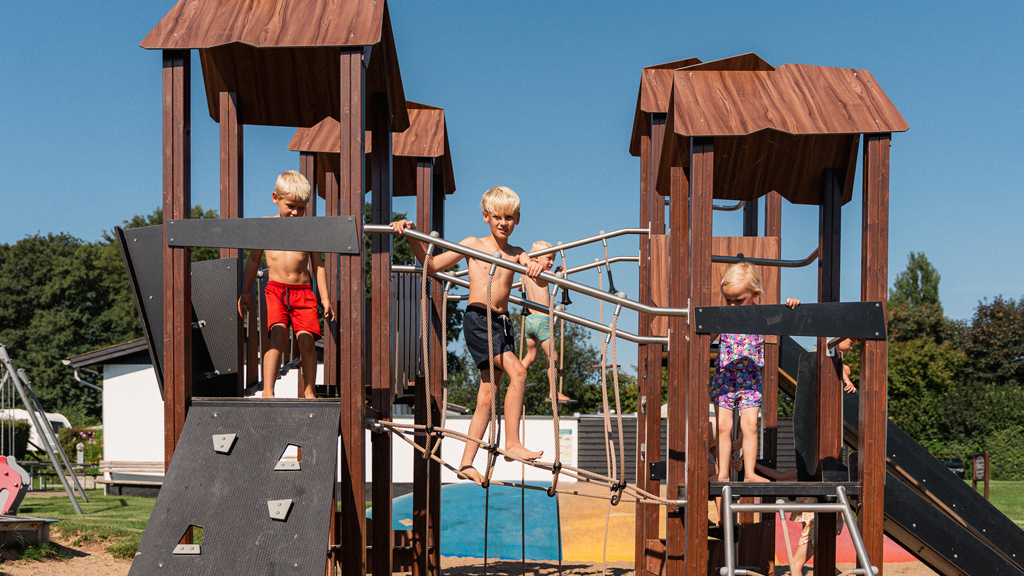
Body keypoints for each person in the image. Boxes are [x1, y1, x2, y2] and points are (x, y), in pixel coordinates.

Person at [390, 185, 545, 485]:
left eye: (510, 217)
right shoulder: (473, 244)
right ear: (486, 216)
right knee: (519, 373)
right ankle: (511, 443)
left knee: (487, 397)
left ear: (518, 219)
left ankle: (466, 463)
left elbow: (529, 264)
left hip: (502, 324)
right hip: (478, 320)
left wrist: (535, 265)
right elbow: (432, 266)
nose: (504, 223)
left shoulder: (517, 253)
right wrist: (410, 234)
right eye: (498, 216)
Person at [238, 171, 334, 398]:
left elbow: (318, 264)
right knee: (277, 336)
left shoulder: (307, 230)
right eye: (290, 206)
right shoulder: (266, 226)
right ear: (275, 198)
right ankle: (268, 391)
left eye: (301, 208)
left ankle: (309, 390)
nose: (295, 213)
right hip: (276, 290)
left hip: (303, 292)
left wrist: (325, 298)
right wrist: (245, 291)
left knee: (306, 341)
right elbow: (253, 260)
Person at [711, 262, 800, 489]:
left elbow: (786, 319)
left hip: (750, 381)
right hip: (725, 379)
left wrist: (792, 306)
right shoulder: (725, 317)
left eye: (738, 300)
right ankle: (722, 473)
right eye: (728, 300)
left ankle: (749, 472)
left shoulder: (763, 318)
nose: (732, 305)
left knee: (750, 426)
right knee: (723, 427)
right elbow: (706, 336)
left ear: (755, 294)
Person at [519, 241, 571, 403]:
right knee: (553, 357)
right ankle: (553, 392)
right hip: (542, 320)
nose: (551, 262)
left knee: (530, 355)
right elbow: (560, 284)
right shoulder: (542, 274)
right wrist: (563, 276)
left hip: (529, 320)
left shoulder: (525, 273)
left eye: (553, 259)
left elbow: (521, 288)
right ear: (535, 258)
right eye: (548, 258)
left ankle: (515, 378)